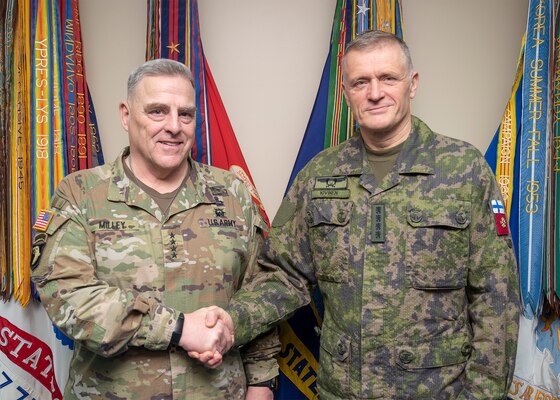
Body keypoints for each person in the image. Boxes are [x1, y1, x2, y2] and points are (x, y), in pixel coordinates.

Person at [194, 30, 520, 399]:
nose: (375, 92)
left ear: (412, 84)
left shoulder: (464, 171)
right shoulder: (319, 176)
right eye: (361, 82)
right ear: (347, 92)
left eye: (388, 78)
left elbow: (497, 297)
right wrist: (233, 321)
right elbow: (281, 275)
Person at [30, 58, 279, 399]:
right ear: (126, 115)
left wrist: (262, 385)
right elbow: (68, 298)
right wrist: (178, 329)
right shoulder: (80, 194)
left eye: (186, 114)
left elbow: (261, 292)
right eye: (157, 111)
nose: (174, 126)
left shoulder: (233, 193)